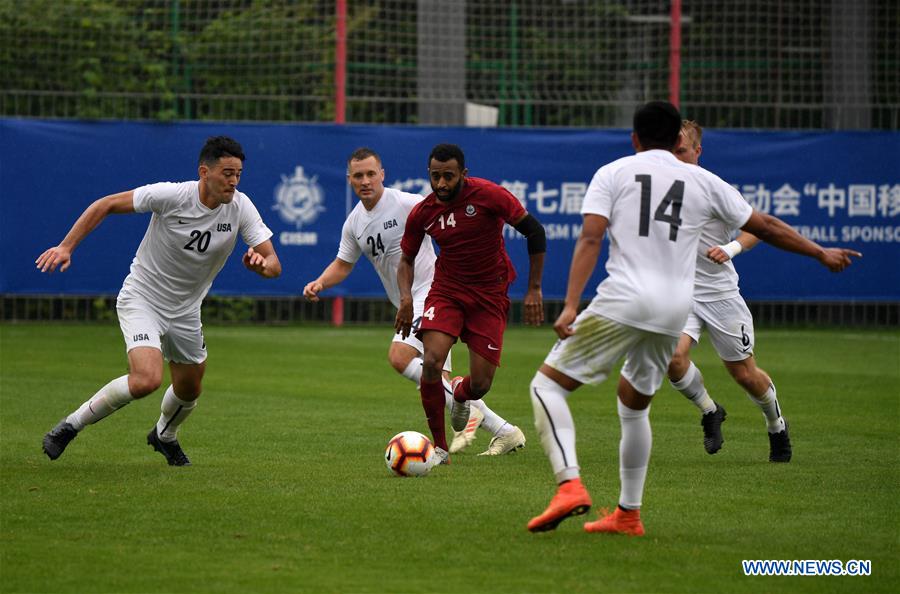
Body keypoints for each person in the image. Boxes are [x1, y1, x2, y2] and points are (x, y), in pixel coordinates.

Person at [526, 101, 860, 535]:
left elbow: (591, 236)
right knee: (632, 404)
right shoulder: (703, 181)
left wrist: (571, 304)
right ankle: (628, 514)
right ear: (677, 140)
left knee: (547, 386)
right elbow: (768, 224)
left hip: (627, 298)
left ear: (635, 139)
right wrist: (819, 252)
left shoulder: (613, 172)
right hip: (674, 307)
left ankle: (569, 485)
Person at [38, 136, 281, 466]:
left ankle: (164, 436)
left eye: (238, 174)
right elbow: (105, 204)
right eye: (227, 173)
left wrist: (261, 266)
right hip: (143, 299)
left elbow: (274, 265)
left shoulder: (241, 206)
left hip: (185, 311)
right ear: (204, 172)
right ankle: (69, 426)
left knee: (190, 388)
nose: (233, 181)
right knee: (147, 379)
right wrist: (66, 247)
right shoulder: (171, 195)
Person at [303, 147, 524, 455]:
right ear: (349, 179)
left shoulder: (407, 203)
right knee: (437, 379)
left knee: (400, 356)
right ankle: (504, 430)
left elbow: (448, 219)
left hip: (434, 292)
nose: (365, 181)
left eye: (370, 174)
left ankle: (486, 429)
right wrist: (320, 282)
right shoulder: (354, 223)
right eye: (358, 176)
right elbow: (343, 263)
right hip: (410, 301)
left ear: (382, 174)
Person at [396, 143, 547, 465]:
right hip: (447, 291)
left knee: (480, 385)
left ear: (463, 174)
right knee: (433, 362)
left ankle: (463, 394)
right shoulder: (424, 212)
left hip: (489, 295)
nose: (441, 184)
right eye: (435, 177)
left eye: (448, 176)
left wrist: (534, 288)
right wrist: (407, 299)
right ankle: (439, 449)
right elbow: (406, 259)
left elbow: (535, 231)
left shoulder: (490, 195)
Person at [668, 120, 789, 461]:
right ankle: (709, 410)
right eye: (669, 151)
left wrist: (731, 249)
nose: (675, 158)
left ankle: (776, 425)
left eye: (682, 151)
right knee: (672, 358)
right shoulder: (659, 189)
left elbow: (757, 229)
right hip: (680, 294)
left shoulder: (715, 189)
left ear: (697, 151)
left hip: (720, 295)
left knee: (744, 374)